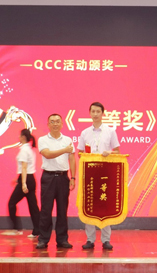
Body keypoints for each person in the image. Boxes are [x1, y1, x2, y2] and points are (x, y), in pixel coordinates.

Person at [78, 102, 121, 251]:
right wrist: (86, 155)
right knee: (89, 205)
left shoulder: (110, 131)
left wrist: (110, 152)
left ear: (103, 113)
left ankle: (106, 239)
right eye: (93, 111)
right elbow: (80, 153)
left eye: (98, 111)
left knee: (105, 205)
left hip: (105, 173)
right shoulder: (85, 133)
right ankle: (90, 239)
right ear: (90, 113)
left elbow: (117, 151)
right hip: (90, 174)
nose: (95, 114)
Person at [37, 114, 75, 250]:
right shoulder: (43, 139)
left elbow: (72, 159)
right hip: (48, 177)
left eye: (57, 121)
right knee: (46, 210)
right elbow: (47, 154)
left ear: (62, 124)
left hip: (63, 178)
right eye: (52, 122)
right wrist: (64, 150)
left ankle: (62, 239)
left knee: (62, 210)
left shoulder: (67, 139)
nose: (55, 124)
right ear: (48, 124)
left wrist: (73, 177)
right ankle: (43, 239)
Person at [5, 128, 41, 238]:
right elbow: (24, 168)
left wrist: (23, 183)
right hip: (30, 179)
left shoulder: (24, 151)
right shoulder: (29, 149)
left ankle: (16, 228)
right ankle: (38, 230)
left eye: (20, 135)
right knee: (33, 207)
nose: (19, 137)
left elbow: (24, 167)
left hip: (26, 180)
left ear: (23, 137)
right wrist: (18, 179)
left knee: (11, 203)